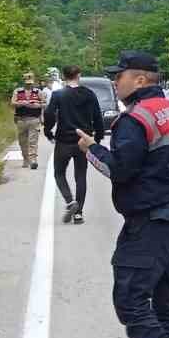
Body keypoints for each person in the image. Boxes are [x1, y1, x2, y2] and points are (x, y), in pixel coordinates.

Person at [78, 51, 169, 338]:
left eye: (120, 76)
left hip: (151, 219)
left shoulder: (135, 119)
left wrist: (90, 149)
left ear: (140, 80)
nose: (116, 83)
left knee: (130, 296)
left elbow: (119, 169)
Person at [42, 66, 103, 224]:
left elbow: (49, 114)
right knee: (80, 176)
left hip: (64, 140)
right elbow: (98, 117)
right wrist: (98, 137)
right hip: (83, 141)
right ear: (79, 75)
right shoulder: (89, 94)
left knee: (59, 173)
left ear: (63, 76)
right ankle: (79, 214)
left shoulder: (58, 95)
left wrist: (48, 131)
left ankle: (70, 202)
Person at [11, 72, 48, 169]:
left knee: (33, 141)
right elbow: (13, 103)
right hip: (21, 119)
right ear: (24, 82)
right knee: (22, 141)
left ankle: (33, 160)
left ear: (33, 82)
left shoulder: (38, 92)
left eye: (30, 83)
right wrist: (21, 103)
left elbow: (44, 104)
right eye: (27, 83)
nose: (29, 85)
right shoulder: (17, 92)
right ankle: (25, 158)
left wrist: (37, 105)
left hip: (34, 119)